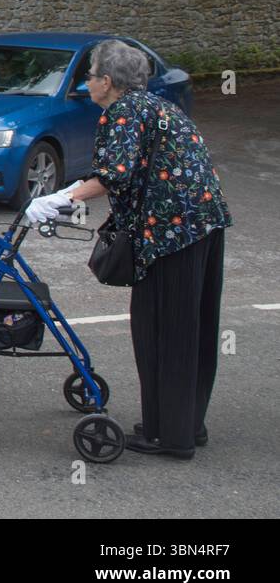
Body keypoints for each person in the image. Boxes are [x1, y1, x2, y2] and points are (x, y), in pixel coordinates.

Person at [27, 39, 231, 459]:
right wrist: (73, 192)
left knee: (161, 329)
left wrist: (59, 200)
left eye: (90, 75)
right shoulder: (157, 106)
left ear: (107, 81)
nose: (86, 82)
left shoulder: (123, 112)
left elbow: (113, 175)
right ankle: (185, 424)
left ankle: (170, 437)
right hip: (202, 226)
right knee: (192, 327)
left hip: (171, 234)